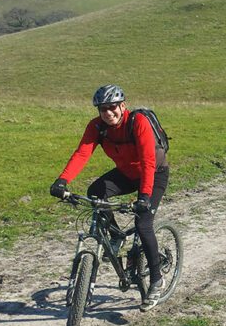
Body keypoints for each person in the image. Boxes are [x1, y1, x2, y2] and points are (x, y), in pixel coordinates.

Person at [50, 84, 170, 310]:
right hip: (126, 174)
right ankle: (115, 236)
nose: (108, 113)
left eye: (112, 107)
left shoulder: (138, 123)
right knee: (95, 192)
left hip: (154, 175)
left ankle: (156, 279)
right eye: (103, 109)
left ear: (122, 106)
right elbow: (82, 153)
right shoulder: (97, 127)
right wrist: (62, 181)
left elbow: (147, 162)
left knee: (143, 224)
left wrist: (144, 197)